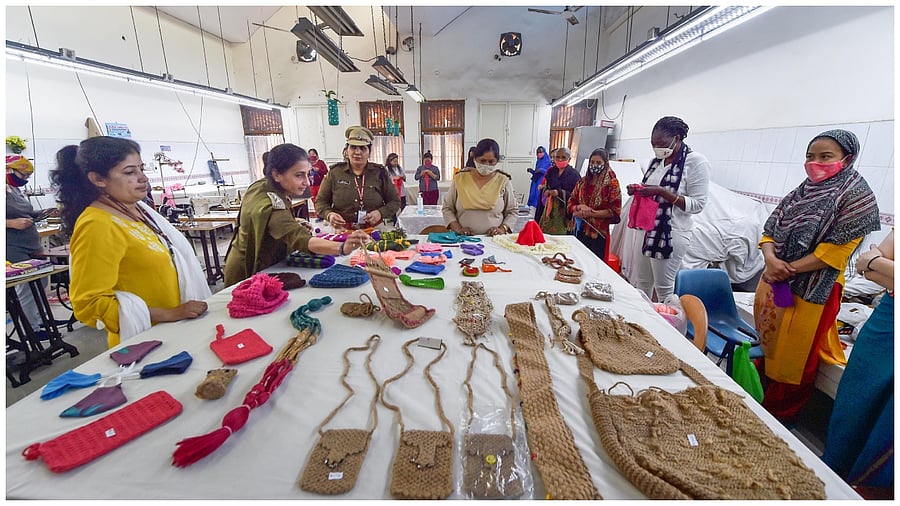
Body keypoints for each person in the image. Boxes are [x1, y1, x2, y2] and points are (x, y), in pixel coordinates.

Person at [752, 129, 880, 425]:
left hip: (815, 288)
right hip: (777, 280)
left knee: (795, 356)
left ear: (847, 158)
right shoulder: (802, 192)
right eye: (810, 156)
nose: (815, 163)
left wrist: (786, 268)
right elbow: (770, 230)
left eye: (825, 157)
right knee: (770, 340)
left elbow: (834, 252)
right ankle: (758, 395)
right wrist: (771, 259)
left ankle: (779, 416)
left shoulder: (856, 197)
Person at [51, 137, 211, 348]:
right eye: (129, 172)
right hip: (146, 341)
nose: (143, 178)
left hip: (176, 330)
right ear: (98, 179)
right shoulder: (97, 225)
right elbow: (88, 303)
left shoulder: (137, 211)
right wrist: (168, 313)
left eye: (141, 169)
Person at [224, 143, 371, 286]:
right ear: (277, 174)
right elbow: (299, 238)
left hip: (265, 263)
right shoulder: (270, 204)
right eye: (299, 175)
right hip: (247, 272)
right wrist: (342, 248)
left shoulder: (265, 185)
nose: (307, 182)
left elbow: (270, 224)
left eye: (308, 175)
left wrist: (294, 221)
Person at [822, 230, 893, 497]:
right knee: (854, 402)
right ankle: (828, 479)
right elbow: (864, 265)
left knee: (888, 429)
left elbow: (873, 263)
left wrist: (878, 264)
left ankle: (860, 493)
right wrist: (876, 264)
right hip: (887, 319)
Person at [626, 116, 710, 301]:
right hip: (646, 228)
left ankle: (666, 318)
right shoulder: (656, 162)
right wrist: (638, 189)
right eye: (653, 144)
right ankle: (643, 317)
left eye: (662, 143)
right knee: (642, 283)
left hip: (670, 233)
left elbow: (697, 204)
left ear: (677, 138)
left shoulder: (696, 162)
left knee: (664, 289)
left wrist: (661, 192)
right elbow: (651, 189)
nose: (657, 147)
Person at [315, 126, 401, 230]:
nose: (357, 152)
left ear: (369, 152)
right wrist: (329, 215)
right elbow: (320, 202)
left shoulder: (380, 173)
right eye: (353, 147)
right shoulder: (335, 173)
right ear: (347, 150)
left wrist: (380, 213)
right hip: (343, 231)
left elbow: (395, 202)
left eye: (362, 148)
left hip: (375, 230)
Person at [6, 155, 50, 340]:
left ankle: (39, 320)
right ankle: (30, 330)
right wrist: (11, 223)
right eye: (23, 175)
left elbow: (25, 211)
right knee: (26, 287)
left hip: (30, 243)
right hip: (13, 246)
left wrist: (41, 213)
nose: (25, 179)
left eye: (28, 177)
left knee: (41, 281)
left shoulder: (13, 189)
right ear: (8, 170)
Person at [442, 138, 517, 236]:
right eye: (482, 160)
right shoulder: (460, 179)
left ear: (497, 161)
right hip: (463, 238)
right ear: (474, 159)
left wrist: (502, 229)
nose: (486, 165)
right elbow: (447, 208)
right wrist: (458, 228)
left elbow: (512, 211)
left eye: (491, 161)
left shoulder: (503, 181)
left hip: (495, 239)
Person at [567, 148, 622, 262]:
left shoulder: (612, 184)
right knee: (576, 262)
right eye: (592, 162)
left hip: (597, 235)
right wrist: (577, 208)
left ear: (605, 164)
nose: (594, 165)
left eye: (598, 162)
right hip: (578, 230)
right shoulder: (582, 182)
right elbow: (571, 200)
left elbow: (614, 211)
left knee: (593, 264)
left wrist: (591, 213)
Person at [534, 146, 580, 235]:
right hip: (548, 210)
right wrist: (546, 191)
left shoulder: (574, 175)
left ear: (569, 159)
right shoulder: (551, 171)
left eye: (563, 157)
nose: (560, 159)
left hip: (563, 214)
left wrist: (560, 193)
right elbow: (546, 186)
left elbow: (576, 196)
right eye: (557, 157)